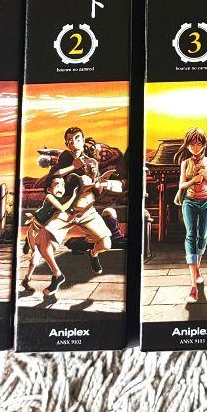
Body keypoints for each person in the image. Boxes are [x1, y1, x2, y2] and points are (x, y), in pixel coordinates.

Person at [32, 126, 121, 296]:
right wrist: (72, 167)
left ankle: (93, 253)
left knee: (106, 244)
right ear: (67, 143)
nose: (73, 143)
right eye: (70, 140)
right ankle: (57, 275)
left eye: (77, 139)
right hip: (67, 211)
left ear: (83, 140)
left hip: (87, 211)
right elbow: (51, 179)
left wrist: (100, 184)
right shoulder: (65, 159)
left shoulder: (92, 162)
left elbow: (97, 191)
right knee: (43, 241)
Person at [176, 127, 207, 302]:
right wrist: (193, 180)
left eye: (199, 143)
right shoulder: (185, 163)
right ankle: (193, 286)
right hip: (189, 202)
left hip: (206, 202)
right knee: (191, 235)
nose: (195, 147)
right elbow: (181, 185)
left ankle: (197, 269)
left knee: (203, 237)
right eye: (192, 144)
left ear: (204, 145)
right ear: (187, 145)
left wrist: (204, 177)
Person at [19, 174, 76, 290]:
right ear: (49, 189)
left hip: (42, 228)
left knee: (37, 255)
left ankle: (26, 279)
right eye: (57, 185)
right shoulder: (50, 197)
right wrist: (74, 196)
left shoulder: (58, 199)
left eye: (63, 185)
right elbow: (62, 208)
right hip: (35, 228)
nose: (61, 188)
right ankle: (27, 278)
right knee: (35, 257)